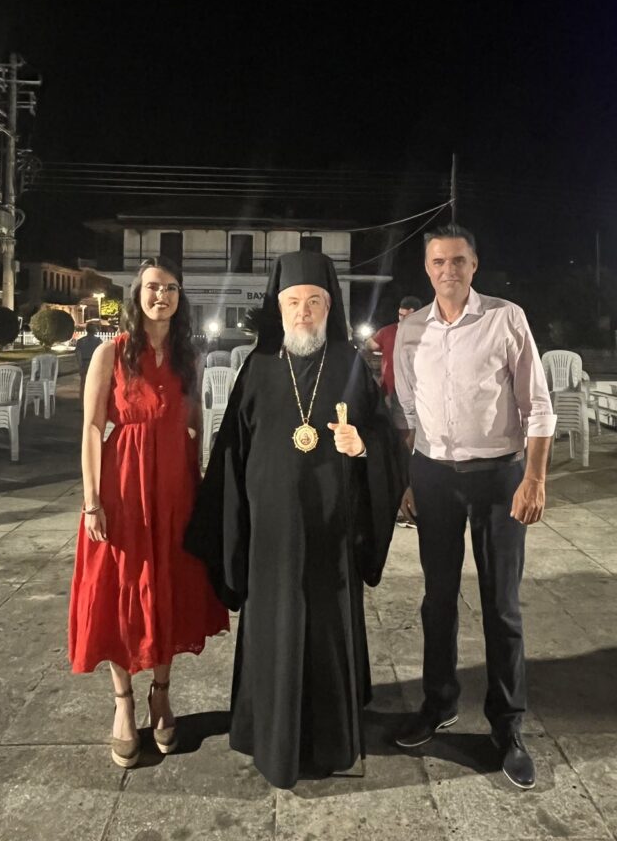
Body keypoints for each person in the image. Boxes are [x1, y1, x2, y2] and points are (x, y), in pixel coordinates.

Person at [186, 251, 407, 789]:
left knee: (327, 626)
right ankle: (268, 732)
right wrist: (230, 528)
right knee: (273, 627)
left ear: (329, 308)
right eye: (293, 303)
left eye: (314, 302)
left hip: (332, 532)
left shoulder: (351, 366)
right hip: (270, 535)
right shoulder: (258, 367)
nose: (303, 312)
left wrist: (363, 446)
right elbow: (231, 452)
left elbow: (388, 441)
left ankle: (331, 738)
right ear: (278, 308)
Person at [393, 225, 555, 790]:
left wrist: (534, 478)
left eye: (458, 260)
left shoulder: (506, 319)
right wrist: (407, 481)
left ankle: (507, 726)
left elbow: (538, 405)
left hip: (498, 478)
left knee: (501, 606)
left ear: (474, 265)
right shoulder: (411, 330)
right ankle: (438, 703)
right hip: (434, 477)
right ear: (427, 268)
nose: (449, 270)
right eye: (438, 262)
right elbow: (407, 412)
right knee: (437, 599)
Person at [68, 257, 229, 769]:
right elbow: (92, 428)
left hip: (175, 488)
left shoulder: (187, 356)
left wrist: (198, 485)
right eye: (154, 288)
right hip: (122, 489)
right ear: (137, 294)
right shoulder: (111, 353)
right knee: (120, 590)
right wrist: (92, 500)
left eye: (172, 288)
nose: (163, 296)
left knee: (166, 587)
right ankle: (123, 702)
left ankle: (161, 693)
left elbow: (195, 423)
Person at [364, 295, 422, 438]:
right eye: (401, 315)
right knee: (393, 430)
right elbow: (370, 345)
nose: (402, 319)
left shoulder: (429, 333)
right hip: (390, 391)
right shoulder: (388, 331)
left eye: (407, 317)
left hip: (417, 393)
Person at [74, 322, 103, 401]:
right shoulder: (98, 341)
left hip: (84, 363)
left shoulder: (80, 341)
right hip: (94, 364)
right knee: (94, 384)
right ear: (95, 330)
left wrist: (80, 365)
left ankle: (82, 402)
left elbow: (78, 354)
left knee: (83, 384)